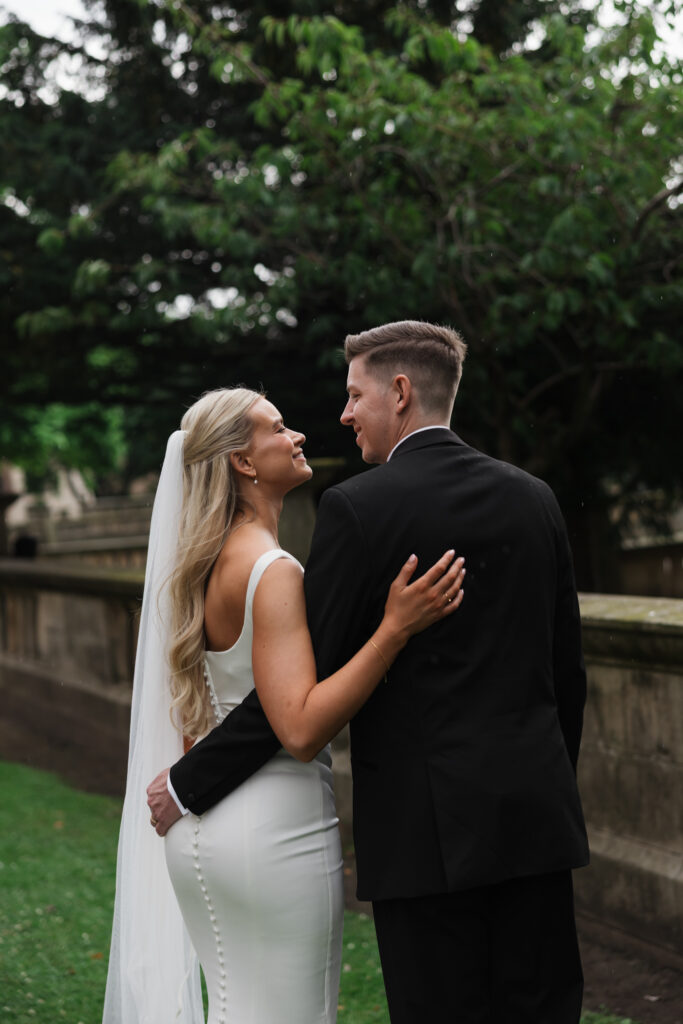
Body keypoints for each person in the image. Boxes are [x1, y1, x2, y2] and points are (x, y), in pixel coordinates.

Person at [150, 320, 590, 1023]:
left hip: (424, 838)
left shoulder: (359, 508)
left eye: (355, 395)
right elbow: (567, 675)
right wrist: (537, 782)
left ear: (401, 391)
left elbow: (293, 693)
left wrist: (191, 779)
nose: (343, 413)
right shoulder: (533, 497)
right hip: (534, 822)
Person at [103, 385, 465, 1024]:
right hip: (273, 834)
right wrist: (394, 629)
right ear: (243, 462)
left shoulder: (204, 564)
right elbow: (298, 727)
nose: (298, 435)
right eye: (278, 428)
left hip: (204, 831)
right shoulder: (272, 571)